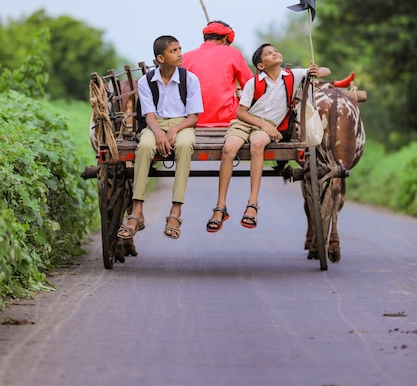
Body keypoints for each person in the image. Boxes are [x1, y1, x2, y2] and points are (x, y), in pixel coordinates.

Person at [206, 43, 331, 233]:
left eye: (275, 51)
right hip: (247, 123)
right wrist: (262, 125)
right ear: (261, 66)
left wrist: (316, 70)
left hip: (268, 127)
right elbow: (241, 113)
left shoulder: (292, 76)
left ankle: (252, 203)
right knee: (229, 148)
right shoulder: (254, 83)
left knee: (258, 144)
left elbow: (326, 71)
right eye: (268, 53)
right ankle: (220, 206)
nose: (274, 53)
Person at [117, 35, 203, 240]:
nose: (180, 54)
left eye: (180, 49)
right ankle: (136, 211)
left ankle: (175, 211)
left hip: (182, 123)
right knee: (145, 146)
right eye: (174, 51)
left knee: (184, 145)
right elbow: (148, 115)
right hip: (155, 124)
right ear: (160, 58)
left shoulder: (189, 78)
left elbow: (193, 116)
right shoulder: (147, 81)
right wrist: (158, 133)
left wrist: (174, 130)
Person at [182, 20, 253, 127]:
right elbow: (251, 86)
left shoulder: (185, 57)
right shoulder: (233, 53)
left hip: (192, 121)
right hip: (228, 120)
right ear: (225, 39)